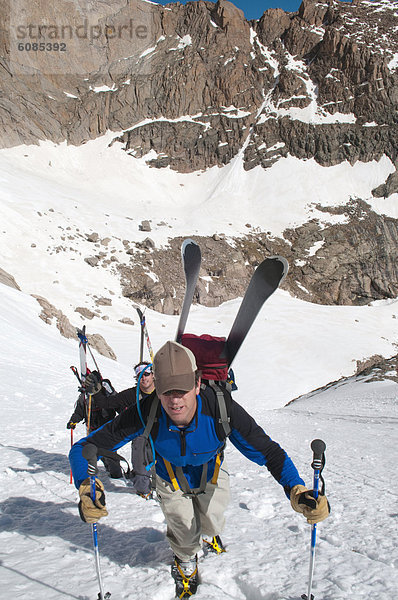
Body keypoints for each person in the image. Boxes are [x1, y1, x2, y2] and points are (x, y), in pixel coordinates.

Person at [69, 341, 330, 598]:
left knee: (212, 521)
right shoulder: (147, 411)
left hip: (211, 470)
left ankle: (208, 533)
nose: (174, 400)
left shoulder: (221, 408)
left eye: (181, 389)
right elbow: (84, 448)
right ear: (156, 389)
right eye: (166, 391)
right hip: (169, 475)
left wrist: (295, 488)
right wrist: (85, 484)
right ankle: (185, 560)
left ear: (197, 383)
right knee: (183, 527)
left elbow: (270, 452)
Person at [66, 370, 123, 478]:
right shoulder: (84, 397)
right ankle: (109, 469)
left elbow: (117, 403)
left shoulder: (105, 392)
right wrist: (73, 421)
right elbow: (79, 411)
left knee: (110, 453)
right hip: (93, 429)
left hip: (108, 428)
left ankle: (116, 474)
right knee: (97, 452)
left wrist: (111, 392)